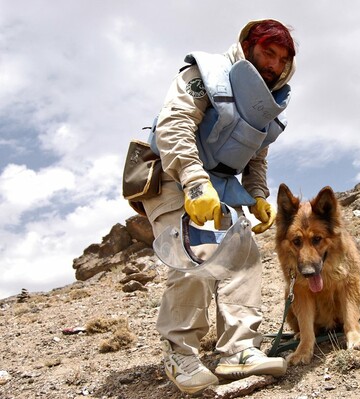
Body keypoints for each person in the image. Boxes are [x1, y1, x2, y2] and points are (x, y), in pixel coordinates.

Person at [140, 19, 296, 396]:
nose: (272, 64)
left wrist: (258, 195)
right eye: (266, 52)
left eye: (281, 58)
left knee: (244, 257)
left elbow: (256, 156)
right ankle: (181, 354)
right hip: (176, 177)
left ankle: (240, 350)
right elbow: (175, 125)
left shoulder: (267, 104)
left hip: (221, 187)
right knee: (195, 254)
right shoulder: (206, 73)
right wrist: (194, 182)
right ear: (246, 47)